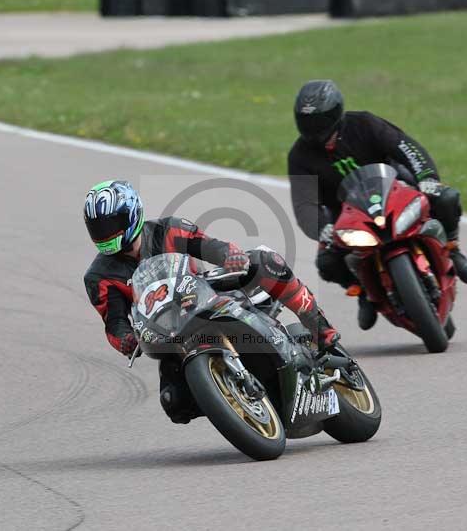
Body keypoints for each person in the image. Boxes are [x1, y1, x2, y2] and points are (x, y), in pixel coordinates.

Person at [83, 180, 340, 424]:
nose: (105, 233)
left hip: (204, 295)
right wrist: (126, 339)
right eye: (98, 228)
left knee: (266, 261)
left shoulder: (168, 229)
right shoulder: (99, 276)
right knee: (175, 404)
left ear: (132, 214)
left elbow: (211, 246)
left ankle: (320, 328)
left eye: (111, 224)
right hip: (167, 331)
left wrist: (231, 255)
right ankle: (229, 398)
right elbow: (114, 322)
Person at [288, 79, 467, 331]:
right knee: (327, 263)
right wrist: (320, 227)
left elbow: (408, 148)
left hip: (395, 191)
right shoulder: (299, 156)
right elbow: (303, 204)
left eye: (320, 121)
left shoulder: (364, 124)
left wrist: (427, 178)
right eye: (307, 122)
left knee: (447, 198)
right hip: (347, 215)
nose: (314, 129)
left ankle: (452, 249)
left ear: (336, 113)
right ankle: (362, 291)